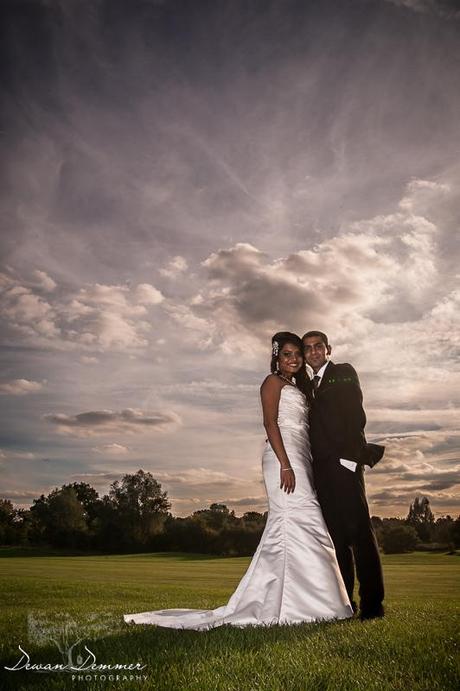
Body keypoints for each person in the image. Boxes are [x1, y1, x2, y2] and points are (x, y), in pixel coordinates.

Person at [124, 332, 353, 629]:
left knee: (302, 524)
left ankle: (305, 604)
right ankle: (301, 605)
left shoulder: (296, 386)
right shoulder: (271, 383)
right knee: (299, 520)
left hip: (302, 456)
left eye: (297, 353)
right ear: (276, 357)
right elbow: (269, 422)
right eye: (287, 354)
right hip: (283, 458)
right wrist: (285, 464)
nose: (294, 358)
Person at [302, 330, 385, 620]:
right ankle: (345, 603)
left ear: (328, 349)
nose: (313, 352)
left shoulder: (343, 372)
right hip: (321, 469)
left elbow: (355, 416)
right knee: (335, 538)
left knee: (360, 534)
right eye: (308, 348)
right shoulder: (305, 384)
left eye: (318, 346)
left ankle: (373, 607)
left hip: (346, 464)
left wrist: (351, 458)